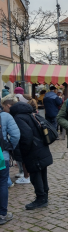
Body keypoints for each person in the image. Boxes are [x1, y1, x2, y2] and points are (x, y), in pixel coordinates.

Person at [0, 95, 20, 224]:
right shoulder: (5, 117)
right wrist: (9, 146)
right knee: (2, 184)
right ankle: (2, 214)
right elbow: (15, 135)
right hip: (2, 156)